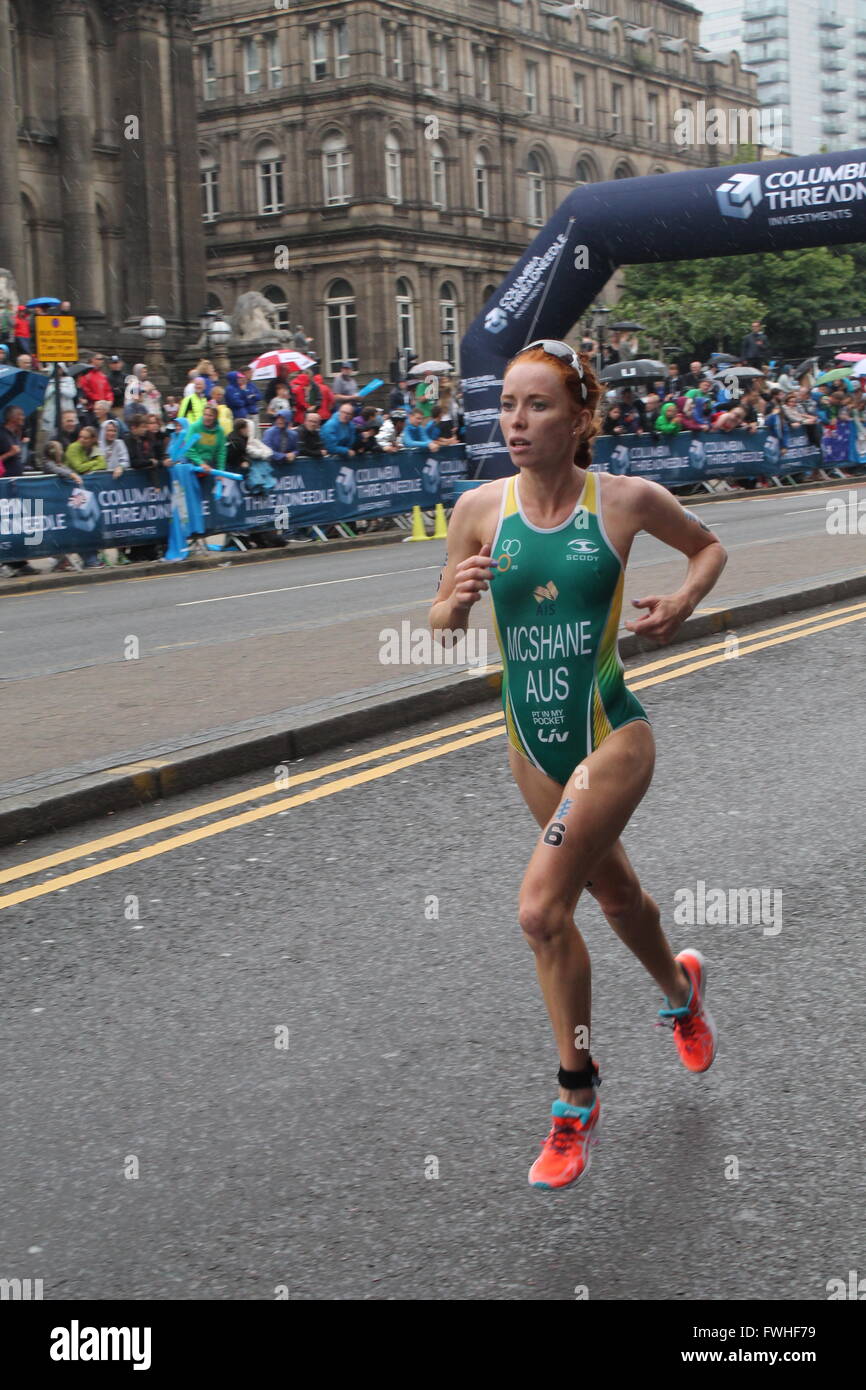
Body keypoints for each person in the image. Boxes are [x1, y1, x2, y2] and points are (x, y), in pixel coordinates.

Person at [428, 340, 726, 1189]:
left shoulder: (626, 500)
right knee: (615, 894)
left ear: (580, 418)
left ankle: (575, 1093)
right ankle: (681, 991)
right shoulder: (479, 509)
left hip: (610, 735)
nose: (515, 423)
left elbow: (709, 548)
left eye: (538, 406)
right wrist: (450, 604)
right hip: (531, 746)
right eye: (508, 407)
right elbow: (444, 621)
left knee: (539, 911)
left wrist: (683, 601)